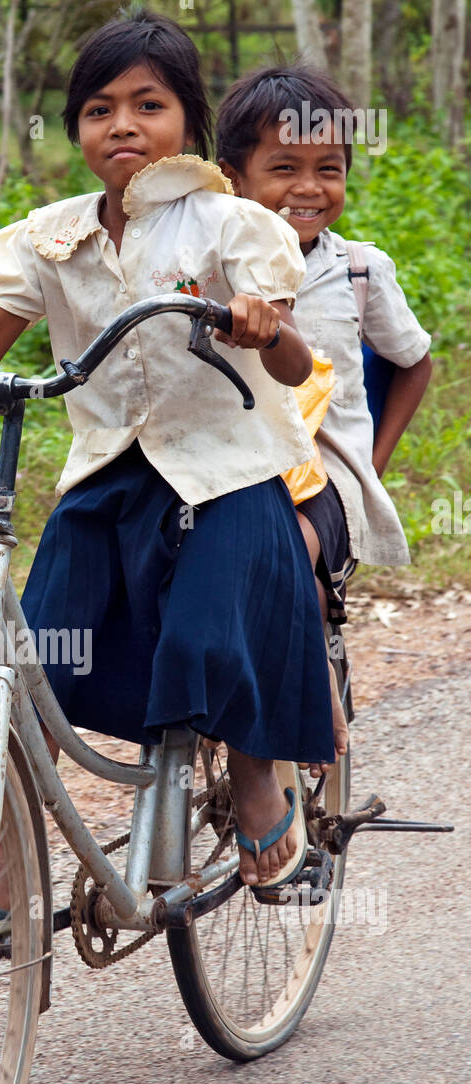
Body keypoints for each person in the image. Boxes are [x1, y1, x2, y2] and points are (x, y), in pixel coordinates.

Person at [0, 9, 336, 946]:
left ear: (187, 122)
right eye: (98, 109)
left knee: (203, 640)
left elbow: (289, 362)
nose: (122, 125)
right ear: (74, 128)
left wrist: (258, 323)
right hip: (109, 481)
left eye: (147, 105)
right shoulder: (47, 238)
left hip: (225, 476)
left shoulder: (235, 225)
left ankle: (257, 787)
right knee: (32, 676)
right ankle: (5, 885)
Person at [216, 65, 433, 773]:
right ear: (233, 178)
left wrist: (371, 466)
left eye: (328, 169)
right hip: (232, 464)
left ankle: (309, 704)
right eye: (284, 167)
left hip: (327, 478)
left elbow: (414, 362)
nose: (309, 189)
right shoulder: (213, 268)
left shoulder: (361, 270)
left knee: (286, 562)